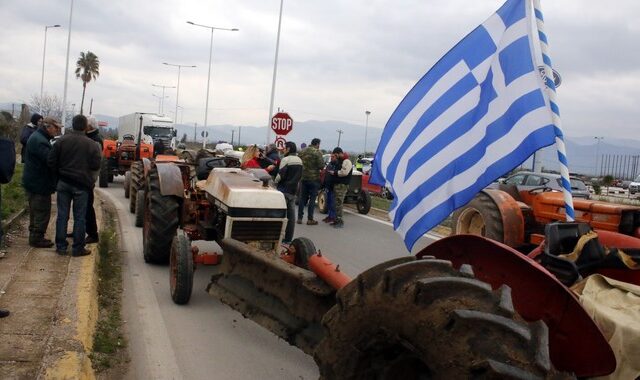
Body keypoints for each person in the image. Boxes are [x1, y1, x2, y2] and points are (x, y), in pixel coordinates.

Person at [48, 115, 101, 257]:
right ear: (85, 127)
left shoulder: (61, 141)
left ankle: (61, 246)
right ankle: (78, 248)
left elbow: (51, 161)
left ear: (72, 125)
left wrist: (58, 177)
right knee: (80, 217)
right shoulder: (92, 144)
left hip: (64, 183)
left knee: (62, 215)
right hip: (82, 186)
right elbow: (96, 165)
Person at [22, 116, 61, 248]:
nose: (57, 131)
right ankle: (37, 237)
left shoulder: (38, 137)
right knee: (41, 210)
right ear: (48, 127)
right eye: (56, 128)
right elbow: (50, 160)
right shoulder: (40, 141)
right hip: (39, 182)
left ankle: (35, 235)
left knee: (35, 210)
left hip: (35, 180)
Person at [274, 141, 303, 244]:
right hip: (293, 190)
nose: (284, 149)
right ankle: (288, 239)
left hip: (283, 190)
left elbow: (280, 175)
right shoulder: (300, 160)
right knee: (291, 216)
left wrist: (274, 182)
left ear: (289, 149)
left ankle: (276, 237)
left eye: (285, 148)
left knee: (279, 215)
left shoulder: (285, 159)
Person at [84, 116, 103, 244]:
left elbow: (94, 161)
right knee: (82, 207)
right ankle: (80, 230)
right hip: (85, 177)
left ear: (89, 126)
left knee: (87, 207)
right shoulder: (90, 137)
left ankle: (92, 233)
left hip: (88, 178)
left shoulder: (95, 140)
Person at [297, 138, 324, 225]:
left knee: (302, 198)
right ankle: (310, 219)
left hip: (303, 178)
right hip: (313, 179)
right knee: (312, 199)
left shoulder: (302, 151)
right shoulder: (317, 152)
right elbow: (321, 166)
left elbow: (298, 162)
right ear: (317, 144)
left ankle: (299, 218)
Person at [329, 147, 353, 229]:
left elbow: (344, 172)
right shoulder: (340, 161)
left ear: (339, 153)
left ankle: (340, 221)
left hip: (342, 185)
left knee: (339, 203)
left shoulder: (347, 161)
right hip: (337, 184)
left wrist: (335, 172)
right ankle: (336, 220)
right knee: (336, 204)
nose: (336, 156)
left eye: (336, 154)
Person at [322, 153, 338, 224]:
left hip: (333, 186)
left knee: (332, 203)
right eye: (331, 157)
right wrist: (324, 184)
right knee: (328, 202)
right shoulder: (329, 165)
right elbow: (326, 175)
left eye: (333, 157)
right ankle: (329, 216)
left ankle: (333, 217)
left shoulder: (337, 165)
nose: (332, 158)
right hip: (328, 185)